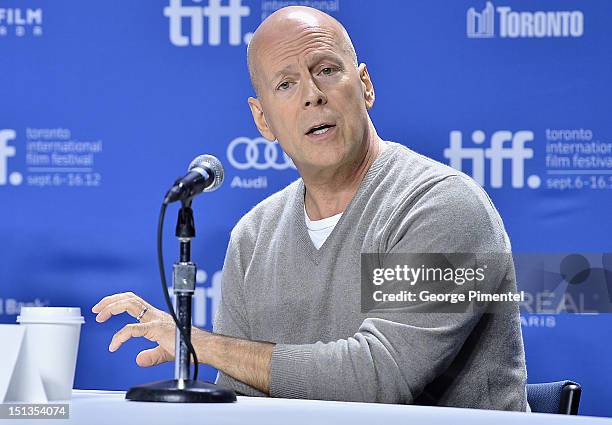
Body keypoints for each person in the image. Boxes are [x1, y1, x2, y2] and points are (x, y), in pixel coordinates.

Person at [92, 6, 527, 410]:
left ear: (365, 85)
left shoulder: (441, 205)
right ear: (263, 120)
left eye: (326, 70)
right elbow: (242, 399)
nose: (312, 95)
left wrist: (198, 342)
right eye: (286, 84)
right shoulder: (254, 235)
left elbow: (381, 379)